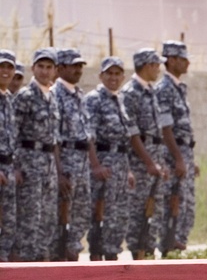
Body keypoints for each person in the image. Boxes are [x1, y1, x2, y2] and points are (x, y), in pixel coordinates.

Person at [84, 57, 135, 261]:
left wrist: (128, 170)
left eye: (117, 74)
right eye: (109, 74)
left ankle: (112, 252)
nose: (113, 78)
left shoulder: (120, 99)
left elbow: (125, 139)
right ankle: (97, 256)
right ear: (101, 76)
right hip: (104, 163)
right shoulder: (94, 99)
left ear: (123, 77)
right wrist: (95, 165)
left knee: (119, 214)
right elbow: (89, 136)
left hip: (120, 164)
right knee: (101, 213)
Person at [53, 48, 100, 261]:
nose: (78, 70)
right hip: (66, 160)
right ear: (60, 68)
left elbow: (88, 135)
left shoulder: (79, 95)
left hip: (82, 163)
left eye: (80, 66)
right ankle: (60, 255)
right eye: (73, 65)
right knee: (63, 212)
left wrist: (94, 164)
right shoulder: (55, 94)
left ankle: (73, 250)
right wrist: (59, 171)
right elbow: (53, 138)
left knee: (82, 211)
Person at [122, 48, 169, 259]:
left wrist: (161, 161)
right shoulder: (130, 92)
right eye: (156, 65)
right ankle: (137, 253)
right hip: (141, 163)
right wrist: (149, 162)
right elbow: (133, 133)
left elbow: (158, 131)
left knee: (154, 211)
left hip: (155, 159)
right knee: (139, 211)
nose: (158, 69)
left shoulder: (152, 91)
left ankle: (148, 251)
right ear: (146, 66)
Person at [14, 48, 60, 262]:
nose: (44, 71)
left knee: (48, 218)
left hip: (49, 163)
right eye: (40, 66)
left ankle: (43, 265)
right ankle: (27, 269)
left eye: (49, 67)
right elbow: (12, 134)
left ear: (55, 70)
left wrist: (58, 169)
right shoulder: (25, 96)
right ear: (33, 68)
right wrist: (15, 166)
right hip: (29, 161)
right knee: (30, 219)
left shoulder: (53, 96)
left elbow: (55, 138)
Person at [155, 40, 196, 253]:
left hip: (183, 153)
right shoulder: (164, 89)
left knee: (186, 205)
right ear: (170, 61)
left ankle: (177, 246)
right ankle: (169, 248)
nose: (187, 62)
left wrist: (189, 159)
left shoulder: (179, 87)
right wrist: (179, 158)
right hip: (172, 155)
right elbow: (166, 128)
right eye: (182, 59)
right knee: (173, 205)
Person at [0, 50, 17, 262]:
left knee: (9, 227)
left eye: (9, 67)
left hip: (9, 170)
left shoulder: (9, 99)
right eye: (1, 67)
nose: (5, 71)